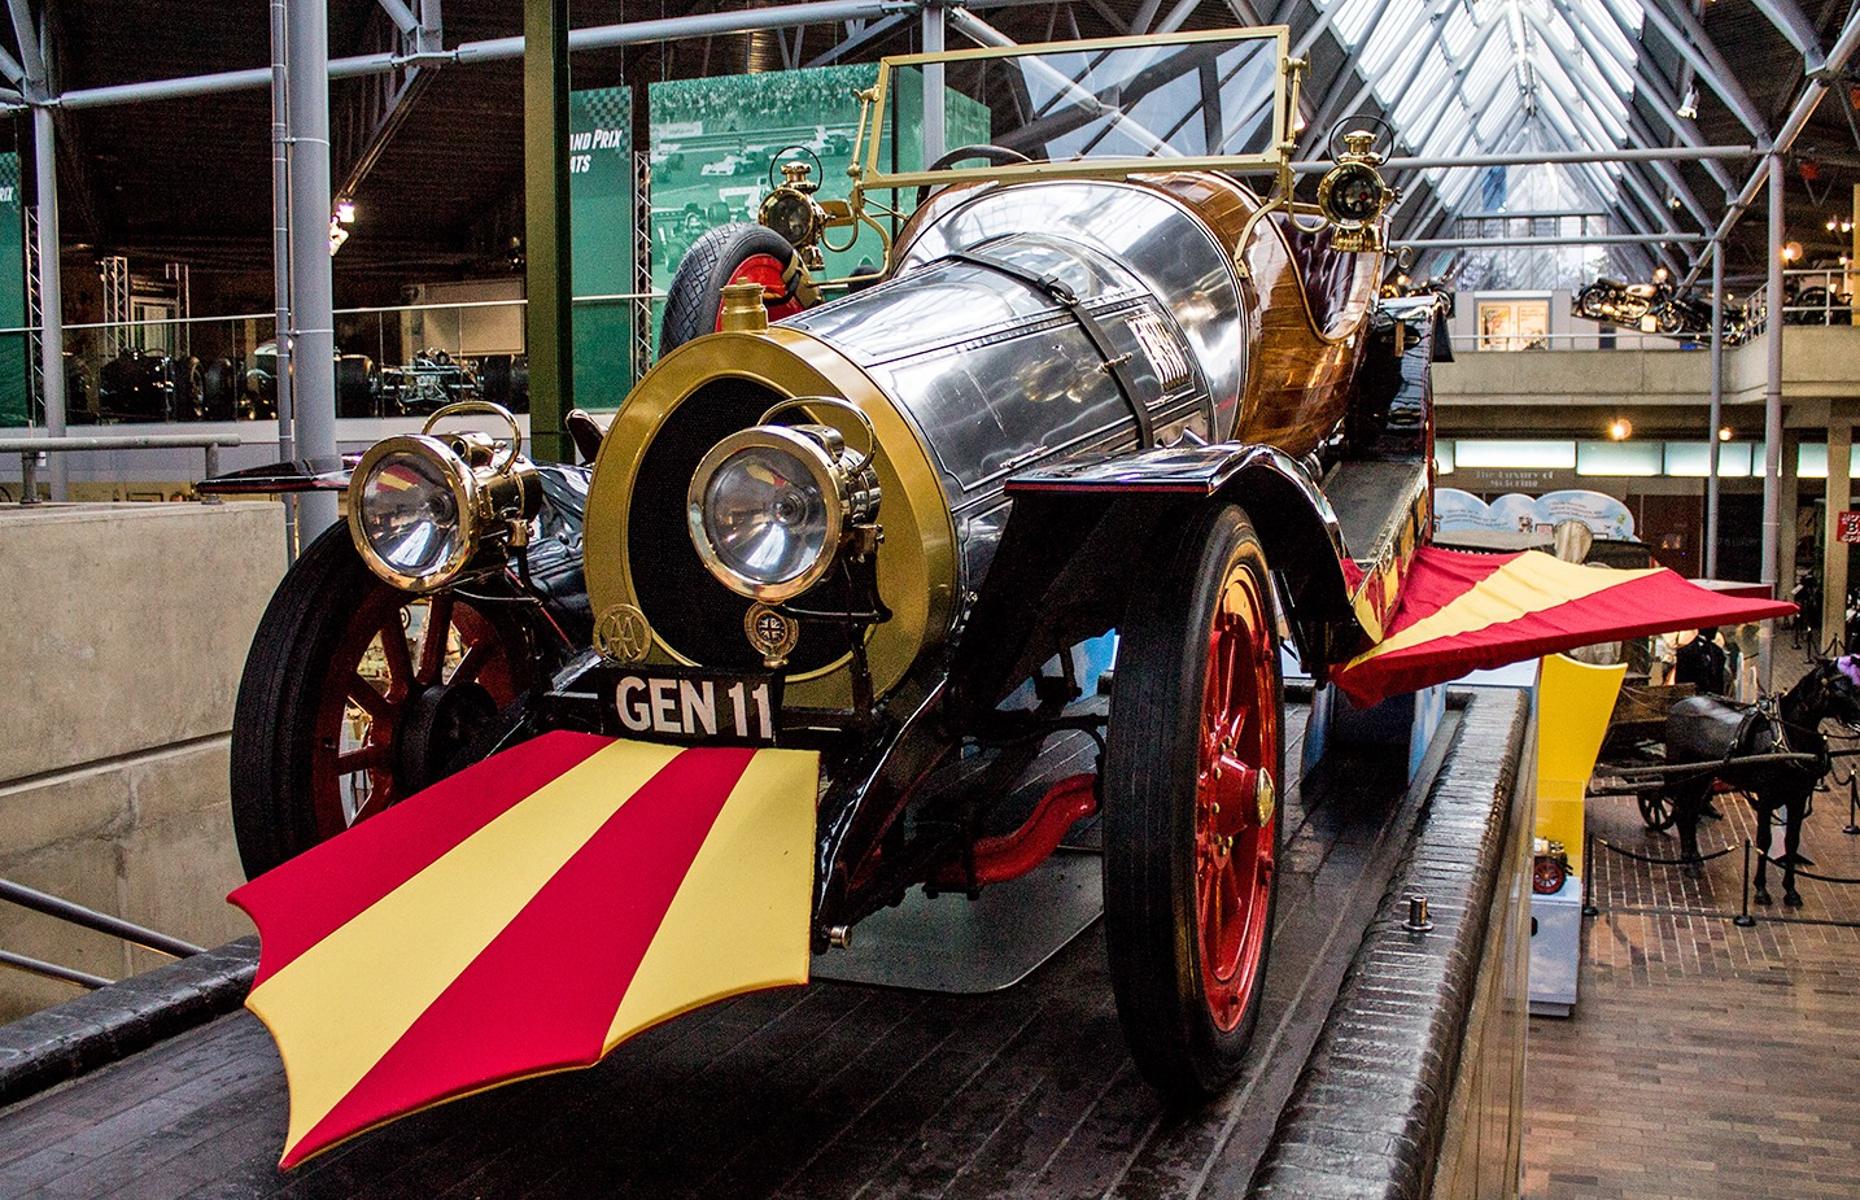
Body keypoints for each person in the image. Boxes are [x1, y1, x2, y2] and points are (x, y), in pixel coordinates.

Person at [1674, 627, 1729, 697]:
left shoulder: (1717, 652)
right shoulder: (1685, 652)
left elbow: (1720, 683)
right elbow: (1681, 685)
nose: (1716, 629)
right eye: (1713, 625)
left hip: (1715, 702)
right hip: (1693, 701)